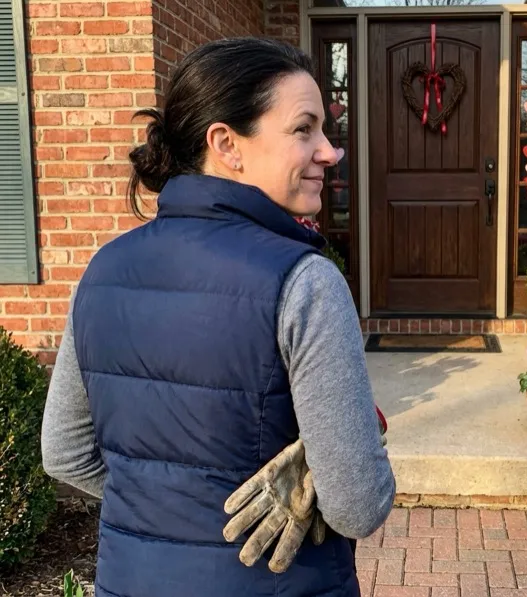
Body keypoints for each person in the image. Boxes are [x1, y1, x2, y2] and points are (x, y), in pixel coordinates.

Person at [40, 37, 395, 597]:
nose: (330, 151)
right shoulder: (305, 281)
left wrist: (171, 513)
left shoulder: (103, 270)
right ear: (227, 144)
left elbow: (63, 453)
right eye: (304, 130)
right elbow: (357, 506)